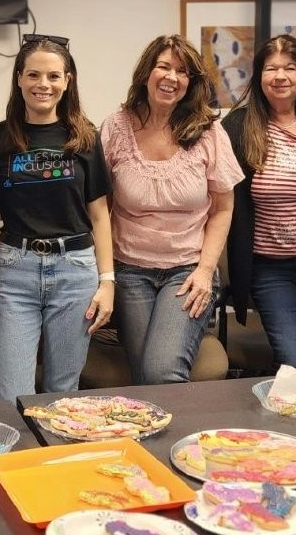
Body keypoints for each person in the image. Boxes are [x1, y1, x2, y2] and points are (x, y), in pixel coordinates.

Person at [0, 35, 113, 399]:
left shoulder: (84, 139)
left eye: (54, 76)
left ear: (67, 81)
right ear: (19, 79)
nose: (43, 85)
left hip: (75, 271)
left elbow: (100, 215)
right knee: (12, 395)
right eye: (34, 75)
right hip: (13, 273)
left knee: (63, 393)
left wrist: (108, 282)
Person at [100, 34, 243, 384]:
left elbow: (223, 208)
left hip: (187, 272)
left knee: (161, 372)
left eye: (182, 72)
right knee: (144, 374)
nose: (171, 77)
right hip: (130, 271)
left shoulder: (208, 131)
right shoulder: (115, 127)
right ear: (146, 72)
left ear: (191, 84)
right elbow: (98, 207)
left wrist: (205, 271)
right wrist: (106, 276)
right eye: (163, 66)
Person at [222, 35, 296, 373]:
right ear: (259, 76)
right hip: (269, 267)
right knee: (292, 358)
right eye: (271, 68)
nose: (280, 76)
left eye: (289, 68)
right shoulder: (238, 126)